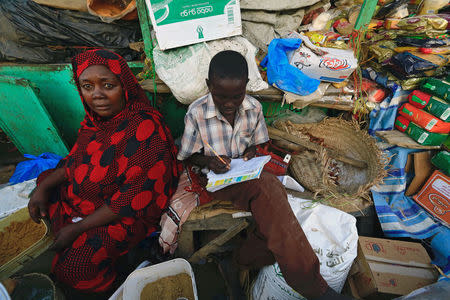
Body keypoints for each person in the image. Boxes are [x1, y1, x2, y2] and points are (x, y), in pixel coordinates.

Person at [177, 50, 350, 300]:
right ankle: (313, 286)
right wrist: (209, 161)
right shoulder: (196, 112)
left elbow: (256, 144)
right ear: (208, 86)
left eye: (236, 96)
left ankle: (238, 261)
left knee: (273, 209)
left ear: (246, 87)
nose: (228, 103)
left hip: (244, 173)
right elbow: (188, 155)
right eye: (220, 96)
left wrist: (248, 154)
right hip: (213, 179)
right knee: (269, 191)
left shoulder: (254, 108)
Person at [28, 49, 180, 293]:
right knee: (46, 182)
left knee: (75, 267)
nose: (96, 95)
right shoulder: (94, 121)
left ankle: (114, 281)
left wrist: (78, 228)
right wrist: (42, 188)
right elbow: (75, 161)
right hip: (92, 196)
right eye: (87, 86)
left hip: (127, 212)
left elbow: (131, 199)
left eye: (108, 85)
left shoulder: (144, 129)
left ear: (125, 86)